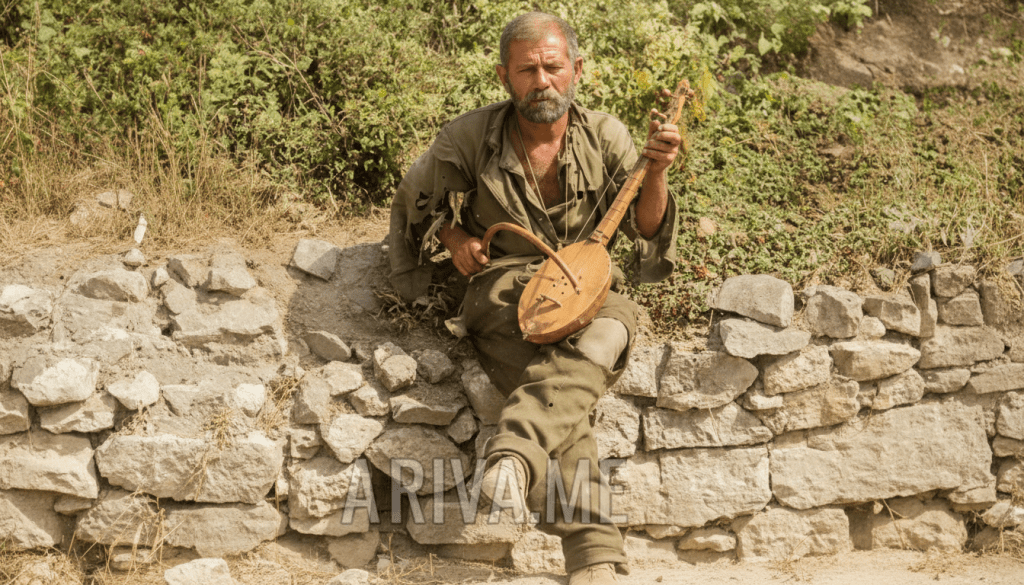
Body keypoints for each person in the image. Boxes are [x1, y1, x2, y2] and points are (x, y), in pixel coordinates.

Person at [388, 11, 680, 585]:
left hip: (591, 288)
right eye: (528, 70)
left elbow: (646, 231)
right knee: (564, 396)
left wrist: (659, 172)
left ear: (575, 69)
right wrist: (456, 240)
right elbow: (413, 205)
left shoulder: (607, 136)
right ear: (505, 76)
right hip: (505, 292)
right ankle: (594, 559)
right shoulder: (469, 137)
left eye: (552, 67)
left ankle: (513, 455)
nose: (542, 80)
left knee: (610, 330)